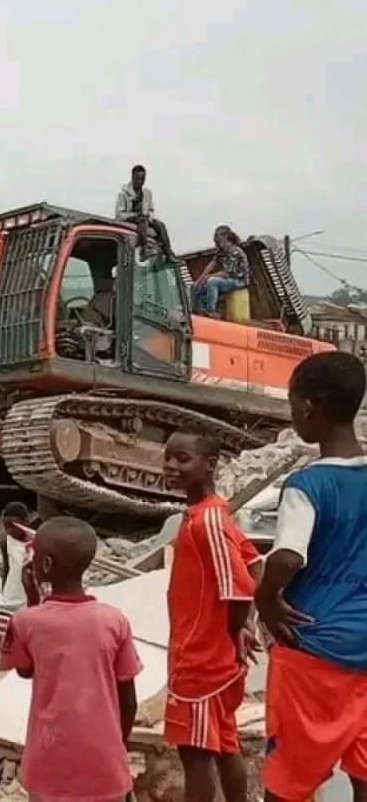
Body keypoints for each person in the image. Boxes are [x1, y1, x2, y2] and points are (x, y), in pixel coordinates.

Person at [255, 351, 367, 802]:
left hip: (313, 651)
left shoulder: (307, 485)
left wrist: (265, 598)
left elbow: (287, 556)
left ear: (308, 407)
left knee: (287, 781)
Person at [0, 516, 142, 802]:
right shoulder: (113, 621)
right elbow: (128, 699)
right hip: (104, 763)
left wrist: (32, 598)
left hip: (48, 763)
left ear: (45, 564)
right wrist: (119, 747)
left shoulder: (25, 621)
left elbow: (26, 670)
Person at [162, 430, 260, 802]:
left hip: (201, 662)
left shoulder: (207, 523)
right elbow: (254, 562)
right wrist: (243, 626)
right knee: (224, 742)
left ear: (211, 464)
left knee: (195, 753)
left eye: (182, 459)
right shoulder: (215, 513)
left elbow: (240, 587)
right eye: (168, 457)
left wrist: (236, 631)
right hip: (208, 656)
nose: (171, 466)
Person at [115, 164, 174, 257]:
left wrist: (148, 215)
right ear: (132, 177)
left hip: (145, 218)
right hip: (131, 220)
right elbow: (119, 215)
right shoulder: (123, 194)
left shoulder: (147, 193)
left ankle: (168, 253)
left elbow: (151, 210)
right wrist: (134, 215)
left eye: (142, 179)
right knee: (142, 219)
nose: (140, 182)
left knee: (160, 225)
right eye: (137, 179)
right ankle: (145, 248)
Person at [192, 226, 249, 318]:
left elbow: (227, 273)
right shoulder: (221, 251)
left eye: (219, 238)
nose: (217, 241)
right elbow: (212, 264)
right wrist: (199, 280)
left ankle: (211, 311)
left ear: (226, 237)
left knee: (212, 282)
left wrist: (208, 277)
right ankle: (197, 312)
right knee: (197, 289)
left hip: (238, 281)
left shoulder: (235, 251)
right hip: (227, 279)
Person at [0, 502, 38, 611]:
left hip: (29, 592)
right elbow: (6, 568)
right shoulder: (5, 543)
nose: (8, 531)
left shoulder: (37, 542)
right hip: (11, 592)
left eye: (12, 526)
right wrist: (3, 592)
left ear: (26, 522)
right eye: (6, 527)